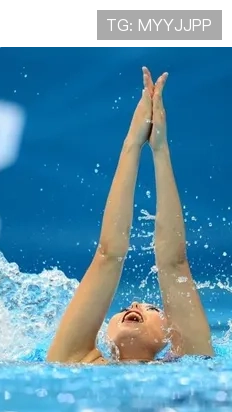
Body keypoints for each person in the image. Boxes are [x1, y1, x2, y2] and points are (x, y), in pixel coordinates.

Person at [47, 67, 213, 364]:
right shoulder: (75, 360)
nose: (134, 304)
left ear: (170, 333)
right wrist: (132, 144)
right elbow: (108, 255)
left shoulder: (191, 362)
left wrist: (160, 149)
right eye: (125, 307)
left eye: (153, 308)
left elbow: (173, 264)